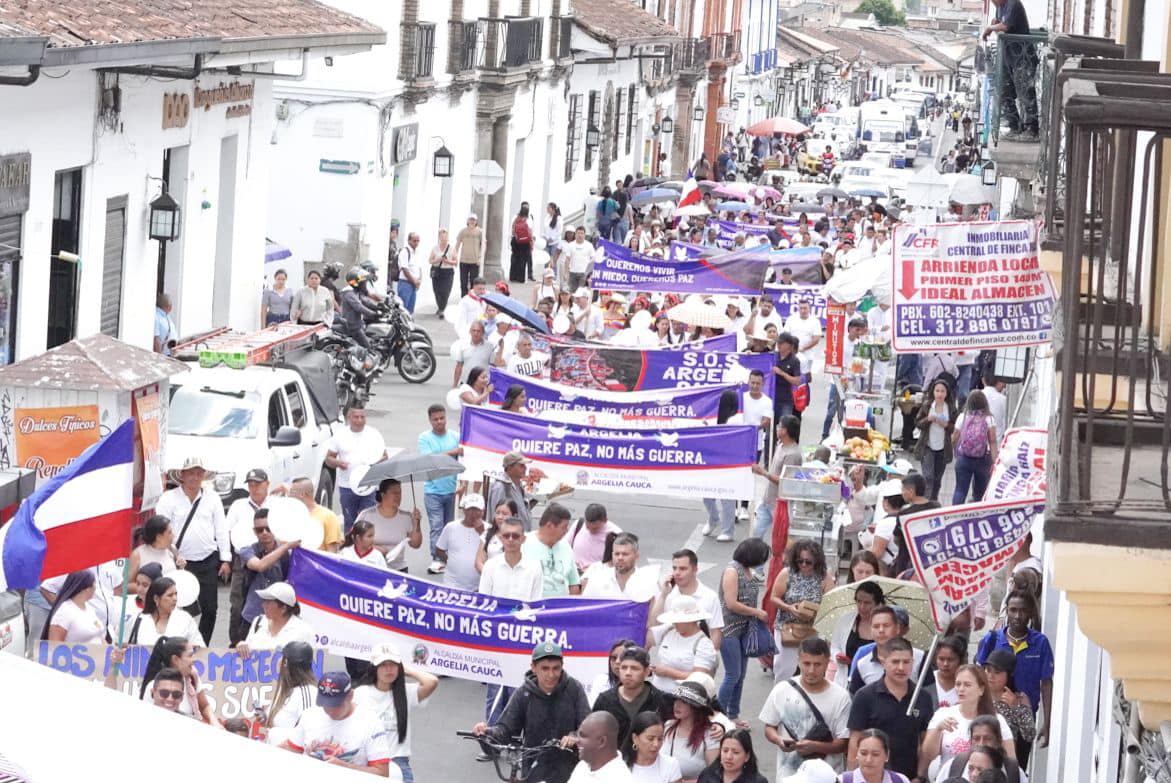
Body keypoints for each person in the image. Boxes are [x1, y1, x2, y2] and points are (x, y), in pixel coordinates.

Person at [473, 642, 592, 783]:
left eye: (556, 668)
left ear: (562, 667)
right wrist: (486, 733)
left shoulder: (574, 689)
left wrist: (574, 736)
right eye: (545, 668)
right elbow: (505, 729)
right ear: (534, 668)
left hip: (570, 772)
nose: (551, 674)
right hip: (533, 770)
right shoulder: (524, 693)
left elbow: (589, 727)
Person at [154, 456, 231, 643]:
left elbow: (221, 528)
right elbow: (160, 529)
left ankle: (201, 645)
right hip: (179, 561)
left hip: (207, 559)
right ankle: (175, 645)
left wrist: (226, 558)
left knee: (210, 609)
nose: (195, 478)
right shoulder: (169, 498)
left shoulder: (212, 498)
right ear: (182, 475)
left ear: (203, 476)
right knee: (175, 606)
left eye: (198, 474)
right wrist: (173, 552)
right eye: (191, 473)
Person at [478, 516, 545, 724]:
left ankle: (514, 739)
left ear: (523, 539)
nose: (510, 539)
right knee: (494, 692)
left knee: (519, 691)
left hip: (521, 638)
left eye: (515, 536)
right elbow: (484, 602)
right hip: (496, 638)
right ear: (500, 537)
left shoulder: (534, 568)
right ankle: (491, 739)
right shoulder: (491, 566)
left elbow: (536, 605)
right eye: (506, 535)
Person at [759, 638, 851, 779]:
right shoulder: (782, 689)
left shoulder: (841, 697)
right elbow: (769, 727)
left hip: (827, 777)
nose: (811, 670)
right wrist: (778, 739)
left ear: (827, 663)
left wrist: (815, 746)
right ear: (798, 661)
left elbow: (844, 743)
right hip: (789, 775)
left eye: (817, 664)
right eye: (806, 663)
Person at [847, 638, 935, 781]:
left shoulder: (923, 697)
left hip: (909, 777)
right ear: (883, 662)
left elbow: (925, 743)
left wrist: (920, 777)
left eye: (906, 662)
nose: (901, 667)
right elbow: (854, 743)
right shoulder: (864, 696)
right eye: (895, 662)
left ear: (913, 663)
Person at [975, 592, 1053, 748]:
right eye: (1013, 610)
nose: (1017, 616)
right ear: (1006, 611)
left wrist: (1047, 722)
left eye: (1023, 610)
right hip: (992, 716)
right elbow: (977, 675)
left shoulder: (1040, 643)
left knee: (1016, 769)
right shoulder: (991, 640)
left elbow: (1046, 683)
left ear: (1031, 612)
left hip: (1023, 718)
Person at [354, 643, 439, 783]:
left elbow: (432, 681)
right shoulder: (360, 694)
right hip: (368, 762)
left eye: (393, 664)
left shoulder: (406, 692)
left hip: (398, 762)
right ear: (374, 668)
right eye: (383, 665)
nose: (388, 669)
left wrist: (408, 670)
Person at [918, 664, 1015, 781]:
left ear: (981, 689)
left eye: (967, 685)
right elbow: (928, 755)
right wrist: (938, 730)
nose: (961, 689)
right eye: (958, 684)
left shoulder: (997, 720)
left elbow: (1010, 760)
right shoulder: (943, 714)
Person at [285, 672, 393, 777]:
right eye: (325, 705)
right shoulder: (309, 715)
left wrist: (345, 767)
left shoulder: (370, 722)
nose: (330, 711)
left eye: (336, 705)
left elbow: (382, 774)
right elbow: (289, 749)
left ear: (350, 696)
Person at [716, 538, 770, 720]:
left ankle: (733, 714)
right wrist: (756, 612)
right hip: (729, 628)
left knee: (741, 675)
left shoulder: (748, 571)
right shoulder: (732, 571)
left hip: (745, 629)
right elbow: (731, 603)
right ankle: (717, 714)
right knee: (733, 674)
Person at [770, 540, 836, 680]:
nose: (804, 565)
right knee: (783, 669)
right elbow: (774, 597)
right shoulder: (787, 573)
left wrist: (813, 610)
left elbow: (830, 604)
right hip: (786, 627)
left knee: (810, 670)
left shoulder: (824, 577)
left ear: (816, 561)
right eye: (800, 561)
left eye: (808, 562)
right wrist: (789, 607)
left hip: (811, 629)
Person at [237, 508, 300, 641]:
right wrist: (286, 546)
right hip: (252, 616)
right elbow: (260, 566)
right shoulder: (247, 550)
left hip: (279, 618)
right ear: (254, 531)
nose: (264, 533)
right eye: (260, 530)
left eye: (268, 528)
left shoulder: (288, 553)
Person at [594, 646, 671, 754]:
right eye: (624, 667)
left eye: (634, 668)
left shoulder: (660, 700)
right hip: (614, 765)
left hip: (651, 763)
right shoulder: (605, 700)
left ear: (647, 672)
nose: (628, 673)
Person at [326, 403, 389, 532]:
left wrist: (374, 464)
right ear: (349, 417)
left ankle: (366, 549)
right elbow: (329, 459)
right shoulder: (340, 435)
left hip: (368, 486)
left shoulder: (374, 434)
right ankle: (349, 549)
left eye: (362, 417)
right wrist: (339, 463)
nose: (360, 420)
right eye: (356, 417)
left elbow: (385, 456)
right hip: (347, 487)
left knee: (367, 523)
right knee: (350, 522)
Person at [983, 0, 1039, 141]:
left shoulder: (1013, 4)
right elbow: (1000, 23)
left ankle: (1031, 129)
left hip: (1023, 57)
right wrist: (994, 22)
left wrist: (990, 27)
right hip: (1009, 58)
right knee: (1003, 90)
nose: (993, 2)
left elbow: (1006, 26)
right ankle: (1014, 125)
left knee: (1026, 94)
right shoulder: (1000, 7)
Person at [417, 404, 462, 573]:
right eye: (435, 419)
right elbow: (430, 459)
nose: (439, 422)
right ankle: (436, 558)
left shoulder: (455, 436)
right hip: (433, 491)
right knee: (436, 526)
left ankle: (447, 557)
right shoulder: (424, 438)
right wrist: (453, 452)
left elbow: (463, 458)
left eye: (442, 418)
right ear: (430, 420)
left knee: (449, 527)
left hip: (452, 489)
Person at [135, 636, 219, 723]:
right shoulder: (153, 685)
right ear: (175, 659)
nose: (195, 659)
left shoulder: (192, 676)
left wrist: (214, 722)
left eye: (176, 695)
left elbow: (204, 706)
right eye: (190, 655)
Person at [654, 549, 726, 650]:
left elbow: (716, 633)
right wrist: (663, 595)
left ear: (695, 569)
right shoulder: (667, 593)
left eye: (683, 569)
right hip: (669, 656)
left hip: (697, 657)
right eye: (674, 568)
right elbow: (654, 623)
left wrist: (707, 658)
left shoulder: (710, 597)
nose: (677, 573)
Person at [647, 596, 718, 693]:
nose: (674, 623)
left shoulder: (704, 644)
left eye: (678, 620)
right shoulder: (668, 630)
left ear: (691, 620)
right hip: (657, 693)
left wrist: (668, 672)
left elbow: (700, 678)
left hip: (682, 697)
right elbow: (648, 632)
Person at [848, 606, 925, 693]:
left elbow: (932, 696)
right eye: (876, 626)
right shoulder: (862, 665)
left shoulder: (920, 658)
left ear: (897, 628)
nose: (881, 630)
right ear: (871, 630)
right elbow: (854, 700)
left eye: (886, 625)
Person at [981, 650, 1036, 768]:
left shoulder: (1020, 698)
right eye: (988, 670)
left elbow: (1029, 735)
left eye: (997, 672)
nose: (991, 676)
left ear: (1009, 674)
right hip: (979, 758)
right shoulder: (978, 695)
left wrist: (1016, 707)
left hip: (1007, 762)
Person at [662, 682, 724, 783]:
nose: (677, 705)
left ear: (695, 707)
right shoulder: (668, 726)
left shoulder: (710, 735)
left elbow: (715, 776)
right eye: (676, 700)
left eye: (684, 702)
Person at [356, 478, 423, 572]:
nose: (398, 496)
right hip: (372, 567)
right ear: (383, 495)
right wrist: (374, 549)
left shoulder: (406, 517)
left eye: (399, 493)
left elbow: (415, 544)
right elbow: (354, 541)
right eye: (394, 493)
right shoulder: (367, 515)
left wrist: (417, 524)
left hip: (399, 569)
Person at [752, 416, 803, 539]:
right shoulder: (780, 445)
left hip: (779, 504)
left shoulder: (793, 454)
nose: (776, 428)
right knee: (756, 534)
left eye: (779, 426)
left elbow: (785, 482)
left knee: (780, 539)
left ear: (785, 430)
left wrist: (763, 472)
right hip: (767, 499)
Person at [829, 581, 885, 690]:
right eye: (859, 601)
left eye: (867, 603)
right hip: (846, 680)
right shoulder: (845, 621)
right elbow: (834, 646)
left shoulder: (884, 625)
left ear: (878, 604)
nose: (862, 606)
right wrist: (838, 656)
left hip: (873, 682)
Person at [938, 718, 1027, 783]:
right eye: (976, 738)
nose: (981, 744)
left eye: (987, 739)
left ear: (998, 742)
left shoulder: (1013, 772)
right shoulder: (954, 766)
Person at [237, 581, 315, 656]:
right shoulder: (258, 622)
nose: (263, 605)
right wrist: (242, 646)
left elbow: (312, 663)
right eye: (264, 601)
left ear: (283, 608)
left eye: (268, 602)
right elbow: (247, 651)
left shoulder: (304, 631)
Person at [125, 576, 204, 647]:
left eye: (176, 594)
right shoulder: (138, 619)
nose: (175, 598)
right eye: (170, 595)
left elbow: (200, 647)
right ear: (156, 598)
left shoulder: (185, 619)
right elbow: (121, 644)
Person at [265, 640, 318, 745]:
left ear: (286, 663)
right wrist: (266, 717)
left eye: (282, 657)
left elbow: (307, 735)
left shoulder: (308, 693)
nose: (278, 660)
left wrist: (275, 734)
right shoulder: (287, 688)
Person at [523, 503, 582, 597]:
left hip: (560, 608)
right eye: (563, 527)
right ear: (550, 525)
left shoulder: (566, 547)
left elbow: (573, 584)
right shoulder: (523, 543)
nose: (566, 531)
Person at [915, 381, 956, 502]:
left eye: (942, 391)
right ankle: (925, 503)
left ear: (947, 393)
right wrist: (928, 419)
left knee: (937, 480)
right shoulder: (927, 405)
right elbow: (918, 423)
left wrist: (946, 425)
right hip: (927, 446)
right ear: (933, 392)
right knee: (928, 477)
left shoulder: (951, 408)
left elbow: (954, 428)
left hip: (943, 448)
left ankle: (933, 501)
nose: (939, 394)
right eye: (937, 391)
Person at [582, 533, 656, 601]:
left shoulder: (648, 581)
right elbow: (586, 608)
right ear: (612, 555)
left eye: (625, 554)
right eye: (617, 554)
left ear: (637, 556)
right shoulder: (598, 579)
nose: (620, 558)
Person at [436, 493, 487, 591]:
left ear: (483, 511)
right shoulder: (451, 527)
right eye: (470, 509)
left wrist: (482, 533)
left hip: (479, 586)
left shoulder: (489, 530)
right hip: (452, 584)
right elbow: (439, 550)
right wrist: (451, 561)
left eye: (477, 510)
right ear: (464, 509)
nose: (473, 513)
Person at [568, 712, 634, 783]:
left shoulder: (621, 779)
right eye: (577, 735)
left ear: (601, 742)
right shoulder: (582, 766)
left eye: (583, 736)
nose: (576, 740)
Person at [42, 570, 105, 643]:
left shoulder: (89, 609)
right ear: (87, 588)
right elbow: (55, 645)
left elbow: (100, 638)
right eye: (94, 584)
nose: (96, 588)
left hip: (97, 654)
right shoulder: (65, 611)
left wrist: (113, 652)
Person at [289, 475, 344, 552]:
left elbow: (331, 552)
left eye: (292, 492)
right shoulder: (292, 516)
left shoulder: (328, 516)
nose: (289, 496)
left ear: (302, 494)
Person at [628, 711, 683, 783]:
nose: (656, 744)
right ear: (635, 738)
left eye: (660, 739)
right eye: (650, 738)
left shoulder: (671, 765)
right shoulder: (620, 766)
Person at [697, 728, 767, 783]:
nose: (729, 757)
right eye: (725, 751)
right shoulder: (708, 775)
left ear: (747, 756)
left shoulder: (758, 781)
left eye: (736, 752)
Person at [842, 729, 912, 783]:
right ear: (857, 754)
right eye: (863, 753)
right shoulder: (842, 780)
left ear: (887, 755)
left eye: (875, 754)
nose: (868, 760)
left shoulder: (900, 780)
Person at [489, 451, 536, 531]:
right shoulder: (500, 487)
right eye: (521, 465)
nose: (525, 468)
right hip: (508, 538)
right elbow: (496, 517)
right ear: (510, 468)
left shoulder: (518, 486)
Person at [570, 503, 623, 573]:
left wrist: (595, 569)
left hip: (598, 577)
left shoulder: (616, 534)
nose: (591, 531)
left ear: (605, 520)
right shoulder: (579, 524)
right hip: (574, 572)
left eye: (595, 528)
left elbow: (620, 560)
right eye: (588, 527)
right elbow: (564, 545)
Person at [339, 266, 380, 348]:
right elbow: (359, 307)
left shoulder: (356, 291)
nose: (365, 284)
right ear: (356, 283)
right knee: (367, 347)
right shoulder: (349, 293)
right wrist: (373, 314)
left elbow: (365, 301)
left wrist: (378, 307)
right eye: (363, 282)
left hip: (358, 323)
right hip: (352, 325)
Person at [926, 636, 967, 711]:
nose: (945, 664)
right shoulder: (927, 680)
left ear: (960, 660)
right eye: (941, 659)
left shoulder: (967, 684)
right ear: (935, 659)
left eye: (951, 659)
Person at [451, 320, 495, 388]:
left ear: (483, 333)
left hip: (482, 385)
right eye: (474, 330)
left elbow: (493, 367)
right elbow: (459, 366)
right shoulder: (463, 346)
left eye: (478, 331)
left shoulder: (490, 347)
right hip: (466, 384)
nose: (476, 333)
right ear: (470, 332)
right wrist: (455, 385)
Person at [453, 214, 485, 297]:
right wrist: (455, 255)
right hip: (463, 260)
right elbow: (457, 244)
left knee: (473, 282)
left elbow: (483, 245)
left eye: (474, 220)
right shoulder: (463, 231)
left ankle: (472, 298)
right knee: (463, 282)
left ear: (476, 221)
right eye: (470, 220)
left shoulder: (480, 232)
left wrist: (480, 257)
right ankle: (464, 298)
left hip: (475, 261)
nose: (472, 221)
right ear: (467, 221)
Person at [428, 227, 457, 318]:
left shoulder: (452, 249)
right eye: (441, 237)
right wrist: (438, 259)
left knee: (445, 292)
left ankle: (442, 309)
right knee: (437, 291)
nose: (443, 239)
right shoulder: (435, 248)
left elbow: (456, 262)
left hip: (448, 272)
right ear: (439, 238)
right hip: (437, 271)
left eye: (445, 237)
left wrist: (448, 262)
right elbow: (430, 261)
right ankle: (441, 307)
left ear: (447, 238)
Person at [396, 231, 422, 313]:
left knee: (410, 309)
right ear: (409, 241)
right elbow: (405, 269)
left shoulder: (417, 252)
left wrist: (419, 280)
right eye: (414, 241)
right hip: (405, 284)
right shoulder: (405, 251)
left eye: (418, 241)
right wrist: (414, 281)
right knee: (403, 309)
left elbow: (419, 268)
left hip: (414, 285)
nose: (416, 243)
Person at [510, 203, 536, 283]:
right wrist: (532, 242)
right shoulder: (529, 219)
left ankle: (513, 276)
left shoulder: (515, 217)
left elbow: (512, 229)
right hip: (525, 242)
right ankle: (520, 278)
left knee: (514, 257)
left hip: (515, 240)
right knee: (523, 259)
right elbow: (530, 231)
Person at [566, 227, 595, 291]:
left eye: (582, 233)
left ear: (584, 235)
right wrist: (566, 273)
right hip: (572, 272)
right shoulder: (570, 245)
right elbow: (567, 259)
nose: (580, 235)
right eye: (578, 233)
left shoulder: (589, 245)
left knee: (581, 292)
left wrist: (590, 273)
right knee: (571, 292)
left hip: (584, 273)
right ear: (575, 234)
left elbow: (593, 259)